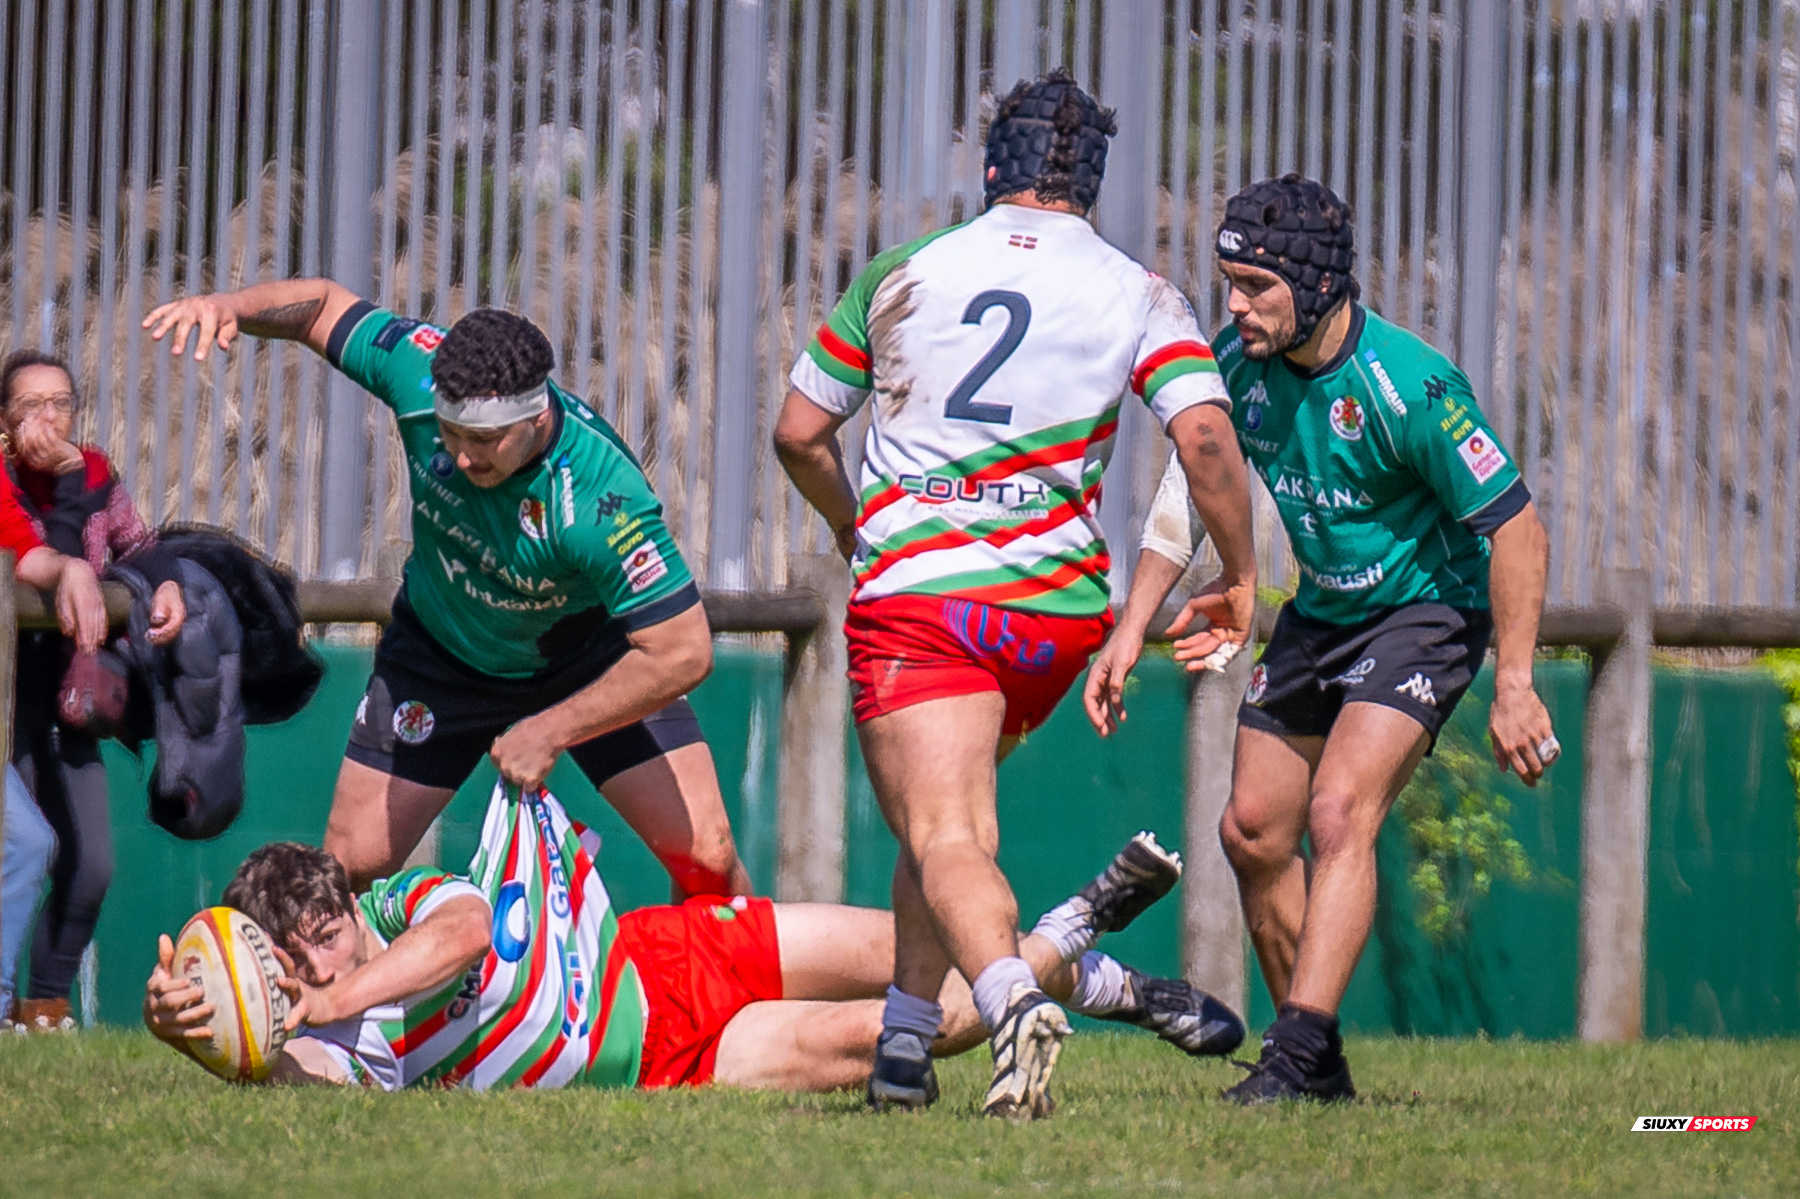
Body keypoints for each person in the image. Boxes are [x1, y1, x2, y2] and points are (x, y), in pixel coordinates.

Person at [772, 69, 1257, 1118]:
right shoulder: (1139, 288)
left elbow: (799, 432)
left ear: (993, 165)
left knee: (944, 829)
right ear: (1092, 182)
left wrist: (859, 526)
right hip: (1054, 616)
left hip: (927, 597)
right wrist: (1238, 575)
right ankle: (904, 1037)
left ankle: (1008, 1002)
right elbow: (1207, 437)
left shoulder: (909, 270)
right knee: (943, 826)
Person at [1087, 174, 1556, 1104]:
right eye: (1228, 281)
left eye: (1257, 286)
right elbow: (1193, 486)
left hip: (1425, 613)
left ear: (1318, 283)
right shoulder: (1240, 368)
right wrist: (1131, 623)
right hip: (1322, 614)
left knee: (1340, 813)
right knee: (1253, 831)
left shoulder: (1411, 386)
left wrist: (1516, 681)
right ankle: (1323, 1071)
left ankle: (1292, 1054)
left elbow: (1518, 527)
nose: (1235, 304)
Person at [142, 285, 750, 901]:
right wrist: (231, 309)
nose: (462, 458)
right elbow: (322, 308)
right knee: (347, 869)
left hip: (587, 664)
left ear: (538, 418)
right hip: (440, 658)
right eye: (452, 433)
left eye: (485, 441)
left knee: (709, 859)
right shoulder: (417, 370)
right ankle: (313, 999)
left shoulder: (601, 501)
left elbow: (684, 651)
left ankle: (744, 994)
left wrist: (551, 729)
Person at [141, 784, 1242, 1094]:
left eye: (330, 929)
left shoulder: (387, 915)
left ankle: (1087, 969)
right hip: (682, 1061)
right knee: (933, 1022)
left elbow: (467, 929)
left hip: (669, 953)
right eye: (308, 956)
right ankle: (1084, 939)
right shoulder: (341, 1051)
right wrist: (197, 1027)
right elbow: (289, 1073)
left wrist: (341, 985)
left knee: (933, 938)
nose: (329, 958)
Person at [1, 350, 187, 1031]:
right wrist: (69, 484)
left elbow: (137, 542)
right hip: (9, 696)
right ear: (5, 423)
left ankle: (45, 1006)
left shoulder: (97, 470)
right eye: (30, 408)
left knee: (92, 863)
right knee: (22, 846)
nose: (49, 421)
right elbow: (45, 558)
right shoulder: (10, 480)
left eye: (61, 405)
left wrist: (164, 579)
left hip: (75, 694)